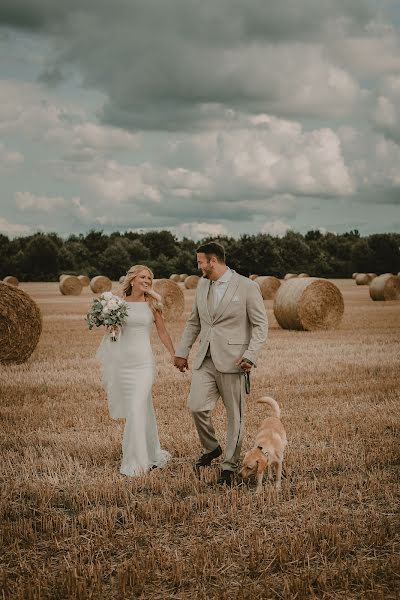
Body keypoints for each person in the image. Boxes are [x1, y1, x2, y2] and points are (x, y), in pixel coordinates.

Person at [174, 242, 268, 486]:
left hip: (235, 361)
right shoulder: (202, 285)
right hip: (205, 358)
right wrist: (182, 352)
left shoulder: (247, 287)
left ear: (213, 261)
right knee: (196, 407)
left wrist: (251, 355)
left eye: (200, 262)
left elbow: (260, 325)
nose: (198, 266)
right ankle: (212, 448)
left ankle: (229, 465)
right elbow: (194, 322)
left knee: (234, 416)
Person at [96, 265, 174, 476]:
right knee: (140, 409)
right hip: (124, 363)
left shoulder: (152, 304)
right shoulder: (117, 304)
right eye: (143, 277)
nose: (147, 280)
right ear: (132, 280)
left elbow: (163, 332)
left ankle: (136, 463)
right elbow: (113, 335)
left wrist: (175, 354)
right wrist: (111, 328)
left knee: (136, 409)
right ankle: (148, 452)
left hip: (143, 364)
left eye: (150, 277)